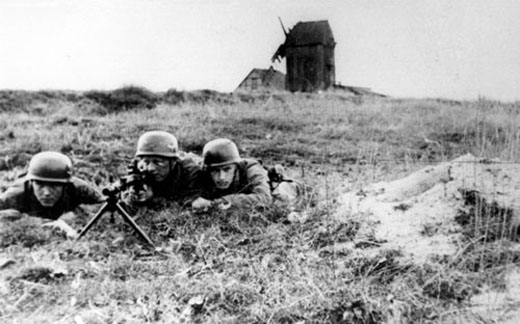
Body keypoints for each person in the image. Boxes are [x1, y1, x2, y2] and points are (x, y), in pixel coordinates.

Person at [0, 151, 104, 237]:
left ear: (65, 185)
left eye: (54, 186)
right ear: (31, 182)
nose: (46, 193)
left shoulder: (78, 188)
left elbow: (106, 205)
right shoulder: (17, 193)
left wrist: (74, 216)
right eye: (40, 185)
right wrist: (32, 220)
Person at [122, 130, 204, 208]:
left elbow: (186, 203)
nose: (151, 168)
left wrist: (153, 198)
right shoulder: (139, 167)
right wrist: (132, 195)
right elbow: (123, 192)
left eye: (158, 162)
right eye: (146, 162)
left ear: (174, 161)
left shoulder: (191, 171)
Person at [191, 138, 272, 212]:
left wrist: (224, 201)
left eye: (227, 169)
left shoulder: (251, 169)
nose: (221, 177)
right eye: (215, 170)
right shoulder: (203, 168)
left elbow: (265, 197)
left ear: (237, 167)